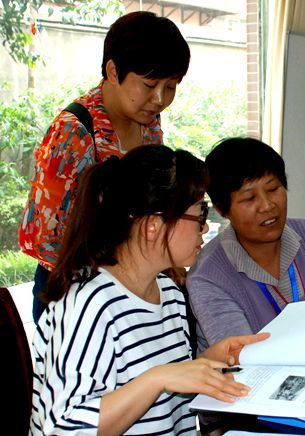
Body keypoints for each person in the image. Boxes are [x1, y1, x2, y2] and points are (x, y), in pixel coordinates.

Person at [30, 145, 268, 435]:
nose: (205, 228)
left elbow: (163, 393)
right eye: (199, 215)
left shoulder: (168, 292)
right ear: (154, 225)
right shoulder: (89, 304)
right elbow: (62, 427)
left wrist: (207, 363)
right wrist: (158, 378)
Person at [19, 11, 190, 322]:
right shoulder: (73, 133)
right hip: (73, 291)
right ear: (113, 71)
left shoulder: (149, 122)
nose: (159, 99)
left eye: (171, 87)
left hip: (130, 284)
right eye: (150, 84)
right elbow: (43, 239)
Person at [186, 137, 305, 351]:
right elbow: (242, 355)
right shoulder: (208, 275)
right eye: (249, 198)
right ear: (222, 209)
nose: (267, 206)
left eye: (273, 189)